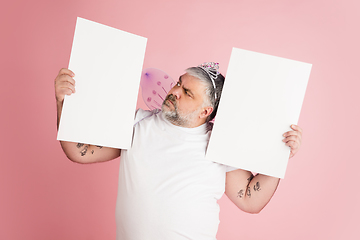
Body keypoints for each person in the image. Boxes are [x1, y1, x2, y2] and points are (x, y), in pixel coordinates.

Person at [54, 62, 303, 240]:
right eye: (178, 84)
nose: (174, 92)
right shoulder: (137, 123)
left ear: (206, 111)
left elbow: (251, 200)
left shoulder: (218, 143)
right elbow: (80, 151)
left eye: (187, 93)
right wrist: (63, 103)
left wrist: (278, 157)